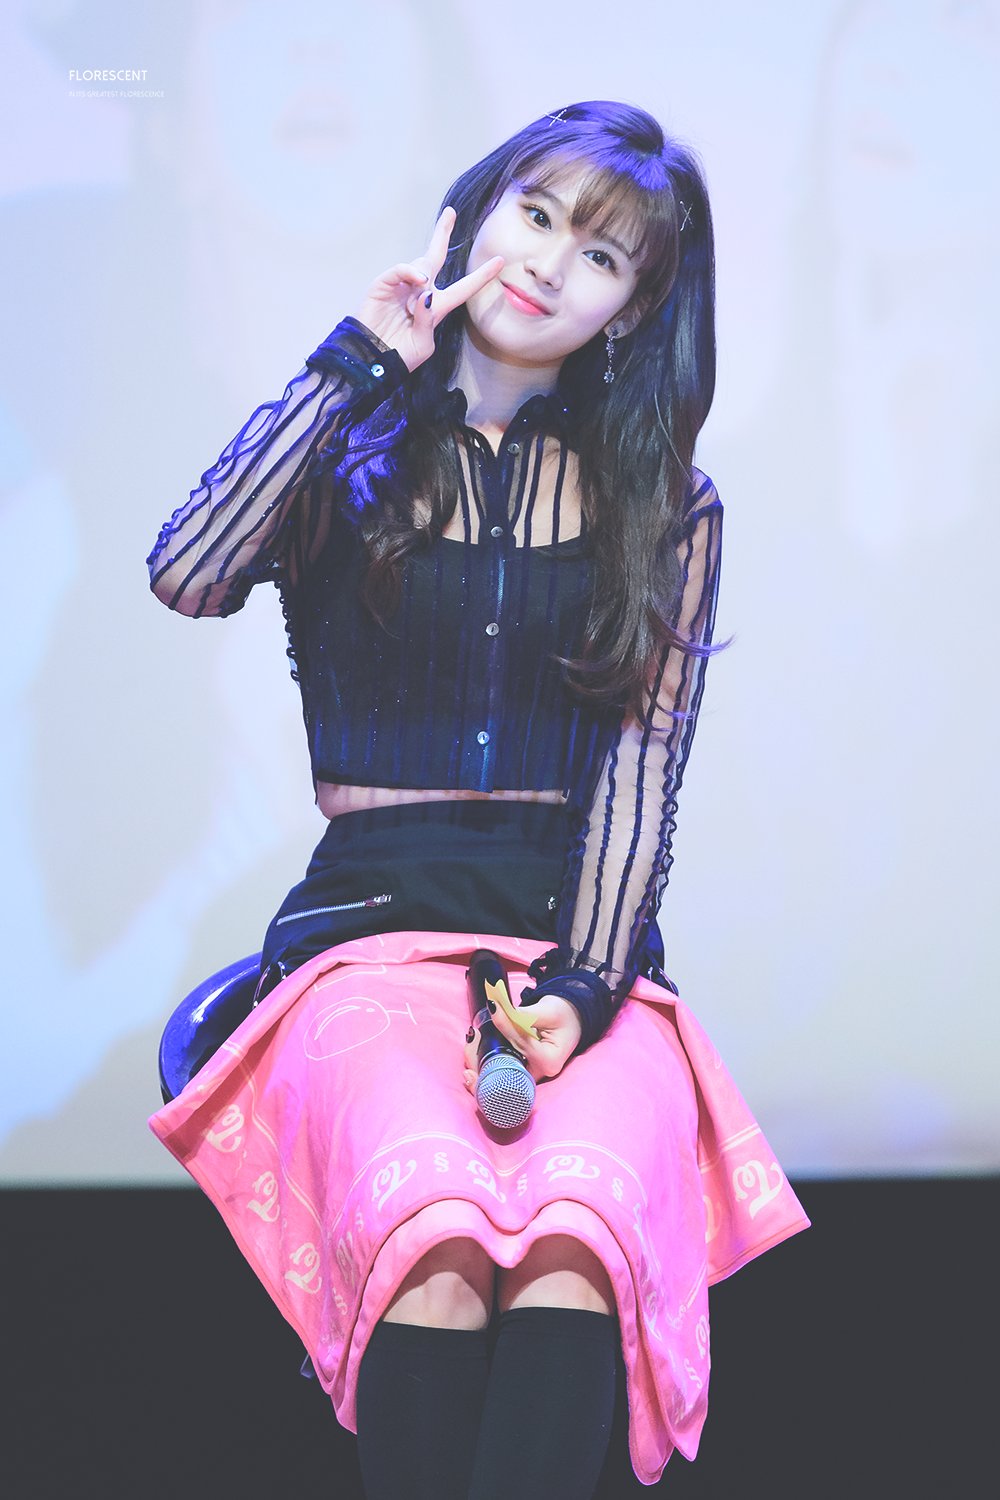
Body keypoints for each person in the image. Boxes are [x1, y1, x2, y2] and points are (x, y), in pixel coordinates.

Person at [147, 100, 809, 1498]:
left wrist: (585, 989)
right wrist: (354, 361)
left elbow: (641, 773)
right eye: (539, 215)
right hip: (366, 940)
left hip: (574, 962)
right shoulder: (349, 443)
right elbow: (188, 573)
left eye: (604, 257)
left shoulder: (666, 504)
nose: (553, 264)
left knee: (577, 1239)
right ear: (479, 212)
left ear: (633, 308)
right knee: (439, 1235)